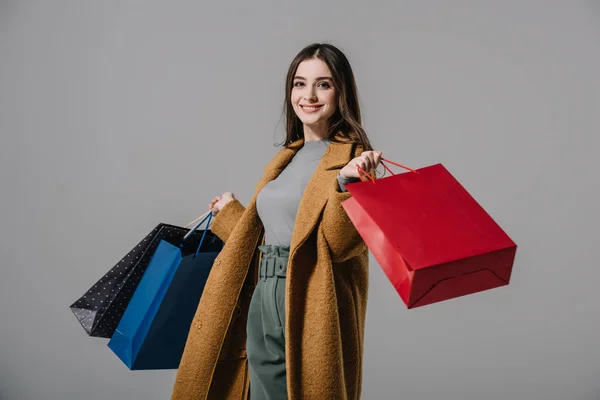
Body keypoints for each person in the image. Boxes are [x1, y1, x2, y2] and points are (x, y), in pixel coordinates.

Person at [170, 43, 382, 400]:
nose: (309, 95)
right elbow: (276, 229)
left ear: (341, 91)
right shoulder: (286, 158)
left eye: (323, 84)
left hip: (308, 295)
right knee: (257, 392)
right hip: (262, 292)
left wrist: (348, 184)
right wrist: (231, 214)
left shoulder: (355, 161)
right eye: (300, 84)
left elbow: (339, 245)